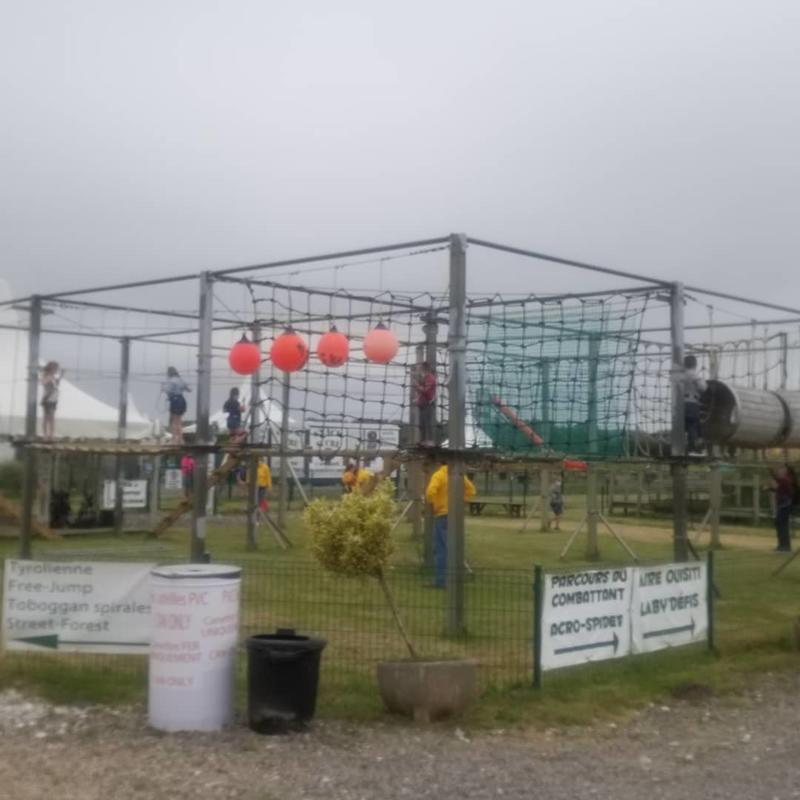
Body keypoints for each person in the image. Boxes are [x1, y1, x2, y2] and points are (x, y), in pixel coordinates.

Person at [425, 463, 477, 588]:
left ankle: (442, 580)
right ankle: (456, 577)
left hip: (442, 515)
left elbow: (430, 492)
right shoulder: (458, 475)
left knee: (441, 549)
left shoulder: (438, 475)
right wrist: (462, 502)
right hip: (455, 515)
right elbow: (471, 490)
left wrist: (434, 506)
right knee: (453, 546)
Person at [768, 464, 797, 553]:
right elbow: (777, 483)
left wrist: (773, 487)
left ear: (786, 471)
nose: (780, 471)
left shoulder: (785, 479)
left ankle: (784, 546)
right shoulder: (786, 479)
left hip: (785, 504)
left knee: (781, 524)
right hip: (784, 503)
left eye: (782, 470)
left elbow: (779, 487)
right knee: (781, 524)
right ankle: (782, 545)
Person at [682, 355, 707, 453]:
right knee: (693, 425)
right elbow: (703, 388)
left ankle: (679, 447)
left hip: (680, 404)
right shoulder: (695, 376)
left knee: (683, 426)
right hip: (692, 403)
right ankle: (691, 448)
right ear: (695, 365)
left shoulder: (680, 376)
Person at [163, 367, 190, 445]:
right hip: (182, 400)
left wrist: (164, 387)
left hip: (175, 401)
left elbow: (167, 390)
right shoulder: (181, 380)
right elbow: (188, 389)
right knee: (179, 421)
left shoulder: (171, 381)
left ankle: (174, 439)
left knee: (174, 421)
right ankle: (181, 439)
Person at [415, 362, 437, 447]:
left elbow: (425, 390)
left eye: (421, 368)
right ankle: (423, 441)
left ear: (425, 369)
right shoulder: (424, 378)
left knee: (428, 423)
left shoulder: (430, 378)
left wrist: (417, 386)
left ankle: (430, 441)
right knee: (422, 424)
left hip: (428, 403)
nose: (420, 370)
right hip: (422, 403)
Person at [40, 361, 63, 439]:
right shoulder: (47, 376)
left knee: (51, 418)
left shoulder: (53, 377)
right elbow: (43, 383)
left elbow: (56, 384)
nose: (56, 370)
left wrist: (61, 376)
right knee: (47, 417)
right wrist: (50, 378)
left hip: (53, 399)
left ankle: (51, 434)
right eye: (56, 368)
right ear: (52, 369)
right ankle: (45, 435)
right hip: (48, 399)